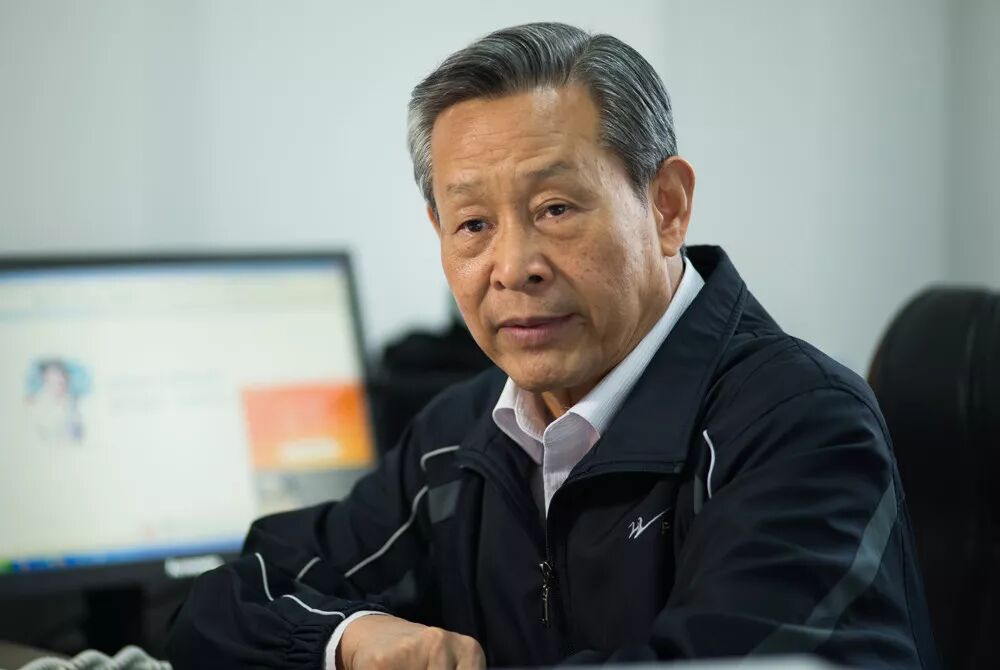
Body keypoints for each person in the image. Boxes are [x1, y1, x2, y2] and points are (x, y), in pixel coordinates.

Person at [166, 22, 940, 670]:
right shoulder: (456, 438)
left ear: (667, 208)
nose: (513, 267)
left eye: (556, 208)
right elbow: (224, 602)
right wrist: (349, 640)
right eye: (474, 225)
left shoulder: (800, 425)